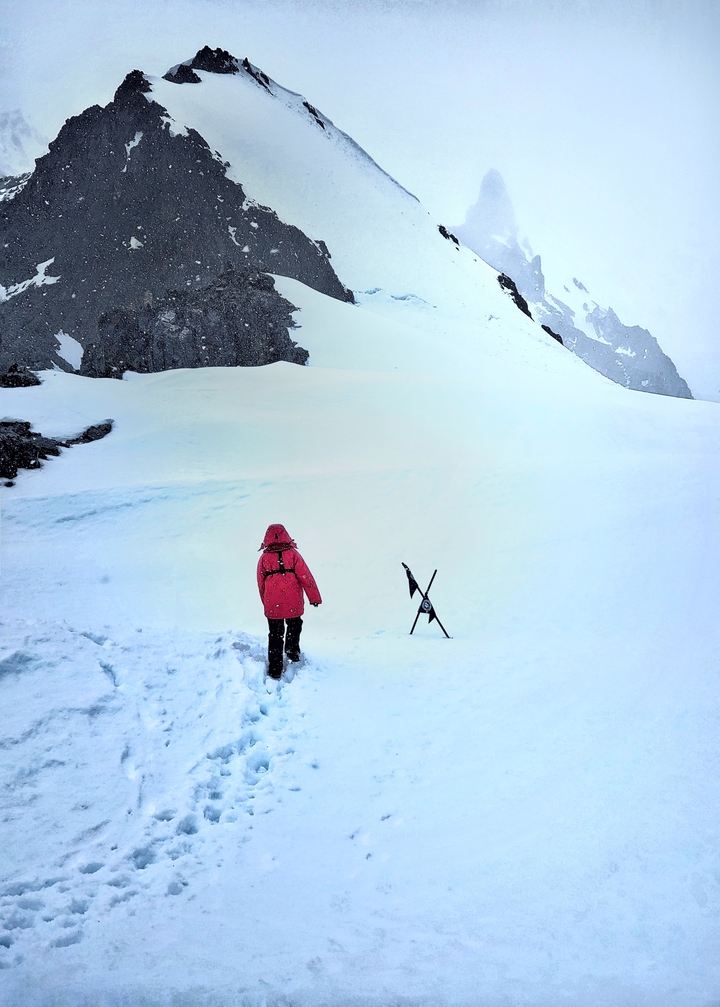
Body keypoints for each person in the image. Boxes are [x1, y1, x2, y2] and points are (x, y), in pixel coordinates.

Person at [257, 524, 322, 679]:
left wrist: (266, 602)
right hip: (293, 602)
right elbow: (306, 576)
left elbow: (260, 583)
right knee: (294, 625)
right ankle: (292, 653)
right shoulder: (293, 554)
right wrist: (314, 597)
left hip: (273, 604)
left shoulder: (264, 558)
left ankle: (275, 668)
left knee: (275, 634)